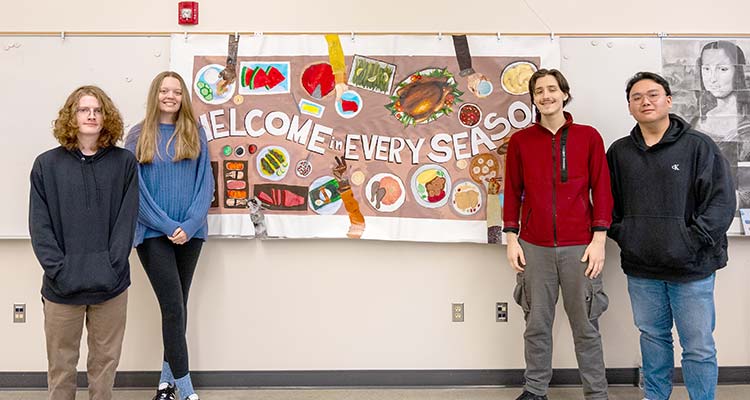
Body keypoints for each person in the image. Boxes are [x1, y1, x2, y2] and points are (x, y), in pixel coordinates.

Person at [607, 72, 735, 400]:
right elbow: (609, 205)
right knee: (652, 338)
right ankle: (655, 396)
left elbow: (721, 202)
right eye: (637, 97)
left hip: (692, 269)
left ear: (668, 101)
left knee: (698, 347)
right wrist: (627, 235)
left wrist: (690, 242)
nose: (645, 101)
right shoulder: (620, 152)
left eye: (652, 95)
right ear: (629, 107)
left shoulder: (698, 146)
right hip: (642, 268)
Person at [503, 69, 613, 400]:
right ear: (533, 98)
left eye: (552, 89)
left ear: (564, 94)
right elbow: (511, 191)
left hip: (581, 246)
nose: (546, 95)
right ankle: (535, 390)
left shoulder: (588, 136)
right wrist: (511, 238)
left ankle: (596, 393)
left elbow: (602, 190)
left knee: (586, 327)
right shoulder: (521, 141)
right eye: (539, 91)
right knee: (536, 325)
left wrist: (599, 240)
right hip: (533, 246)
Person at [29, 85, 138, 400]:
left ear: (106, 117)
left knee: (104, 367)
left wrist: (112, 266)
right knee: (61, 368)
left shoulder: (124, 163)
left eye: (97, 110)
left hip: (111, 285)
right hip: (61, 287)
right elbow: (40, 225)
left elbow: (125, 221)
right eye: (83, 110)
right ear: (71, 116)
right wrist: (58, 270)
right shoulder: (46, 165)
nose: (91, 115)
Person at [125, 71, 214, 400]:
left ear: (183, 97)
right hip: (152, 234)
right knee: (174, 308)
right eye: (164, 90)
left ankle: (165, 384)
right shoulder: (137, 135)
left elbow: (206, 184)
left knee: (177, 307)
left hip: (192, 234)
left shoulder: (195, 132)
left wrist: (189, 226)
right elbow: (136, 191)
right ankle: (187, 390)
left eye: (177, 91)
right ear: (155, 94)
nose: (170, 96)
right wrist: (167, 226)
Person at [693, 40, 750, 142]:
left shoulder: (745, 121)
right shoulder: (698, 119)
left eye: (722, 69)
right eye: (706, 69)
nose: (712, 78)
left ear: (738, 72)